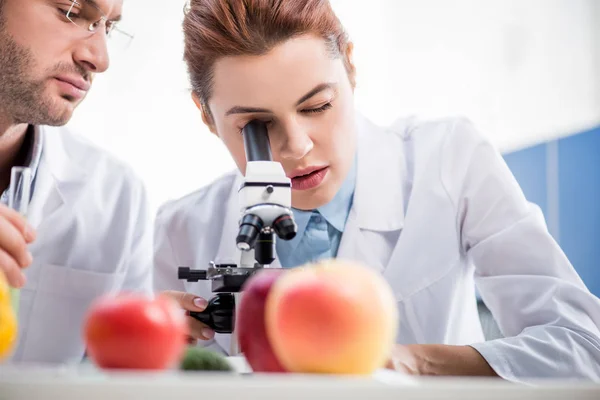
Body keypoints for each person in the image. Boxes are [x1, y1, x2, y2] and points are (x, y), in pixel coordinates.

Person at [153, 0, 600, 381]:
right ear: (207, 116)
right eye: (255, 126)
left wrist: (410, 362)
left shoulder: (446, 159)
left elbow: (584, 347)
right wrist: (152, 358)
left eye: (318, 106)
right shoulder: (181, 228)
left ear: (350, 66)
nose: (297, 146)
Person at [0, 0, 153, 364]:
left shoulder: (116, 196)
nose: (99, 58)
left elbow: (123, 379)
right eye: (71, 11)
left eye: (108, 28)